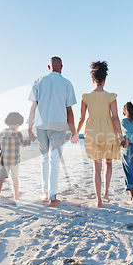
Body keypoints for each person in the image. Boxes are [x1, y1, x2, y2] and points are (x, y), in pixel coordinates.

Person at [73, 61, 126, 207]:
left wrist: (76, 134)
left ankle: (99, 200)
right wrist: (121, 136)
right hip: (108, 132)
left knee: (97, 166)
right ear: (104, 80)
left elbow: (81, 118)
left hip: (93, 132)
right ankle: (106, 192)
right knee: (108, 163)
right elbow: (115, 117)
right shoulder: (111, 96)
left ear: (93, 80)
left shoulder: (86, 97)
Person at [28, 56, 78, 207]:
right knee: (54, 160)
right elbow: (69, 111)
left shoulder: (38, 81)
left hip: (41, 125)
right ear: (61, 67)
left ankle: (44, 192)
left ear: (49, 67)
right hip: (58, 125)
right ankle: (52, 196)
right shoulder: (67, 83)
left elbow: (33, 108)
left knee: (44, 159)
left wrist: (30, 128)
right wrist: (74, 132)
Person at [0, 112, 33, 206]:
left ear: (7, 122)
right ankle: (16, 195)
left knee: (1, 179)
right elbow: (23, 144)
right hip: (15, 160)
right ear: (18, 124)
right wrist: (30, 140)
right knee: (15, 178)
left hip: (3, 160)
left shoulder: (2, 133)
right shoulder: (18, 134)